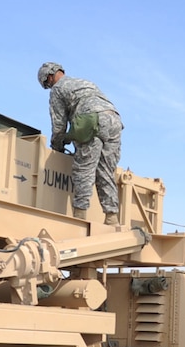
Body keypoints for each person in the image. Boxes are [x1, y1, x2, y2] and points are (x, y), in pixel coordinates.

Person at [37, 62, 123, 226]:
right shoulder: (84, 82)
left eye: (47, 85)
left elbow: (59, 125)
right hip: (114, 121)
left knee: (84, 169)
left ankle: (79, 216)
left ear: (49, 77)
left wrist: (57, 146)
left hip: (92, 120)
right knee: (106, 171)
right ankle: (112, 218)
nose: (49, 87)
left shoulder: (57, 89)